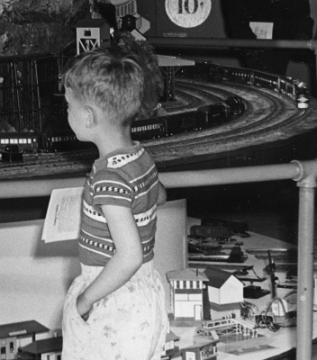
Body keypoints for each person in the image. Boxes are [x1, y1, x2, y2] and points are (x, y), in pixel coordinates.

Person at [60, 42, 168, 360]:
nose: (66, 113)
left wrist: (85, 300)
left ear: (89, 117)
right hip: (144, 293)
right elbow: (158, 194)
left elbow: (129, 254)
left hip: (113, 296)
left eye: (68, 106)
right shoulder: (139, 156)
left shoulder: (108, 176)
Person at [221, 0, 314, 75]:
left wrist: (302, 35)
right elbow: (235, 15)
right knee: (264, 78)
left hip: (282, 36)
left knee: (273, 79)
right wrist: (247, 39)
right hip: (254, 40)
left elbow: (301, 10)